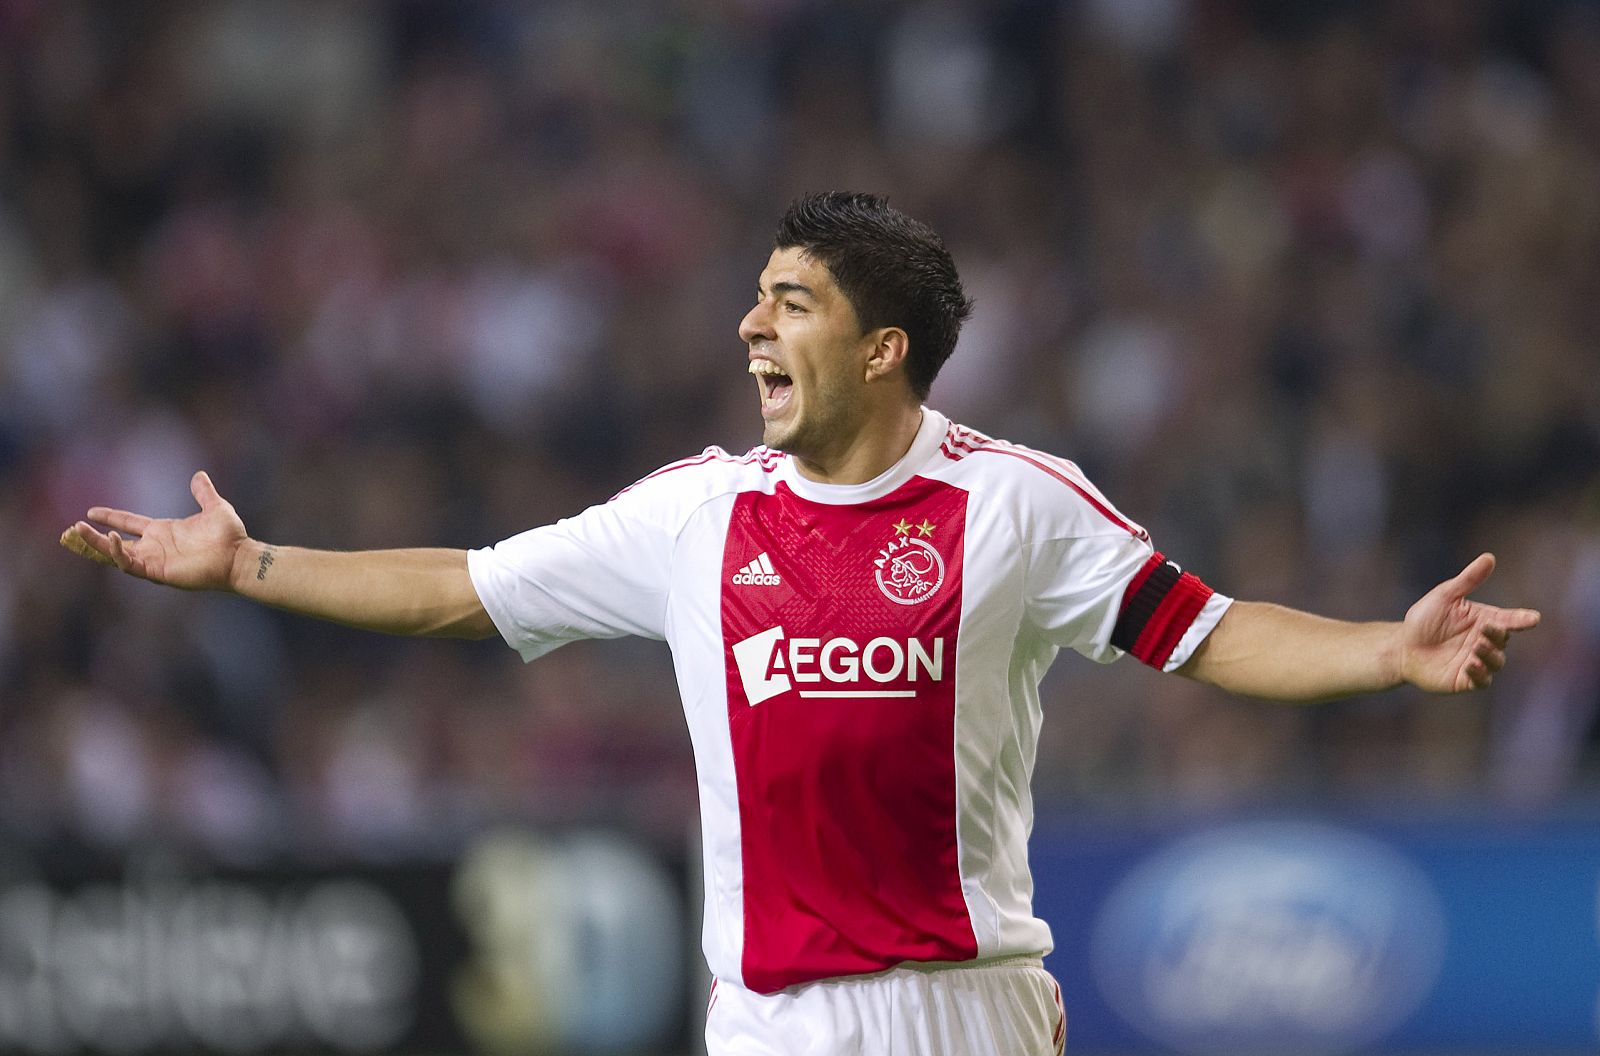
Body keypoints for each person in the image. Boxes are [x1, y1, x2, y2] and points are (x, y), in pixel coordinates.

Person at [61, 191, 1540, 1056]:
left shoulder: (1016, 504)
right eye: (756, 300)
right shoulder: (696, 513)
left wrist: (1381, 651)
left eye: (792, 304)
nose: (754, 329)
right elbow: (466, 585)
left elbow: (1206, 633)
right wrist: (253, 568)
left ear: (883, 347)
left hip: (965, 1010)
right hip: (765, 1022)